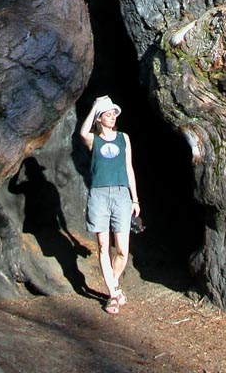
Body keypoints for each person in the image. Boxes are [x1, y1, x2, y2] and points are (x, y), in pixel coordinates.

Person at [80, 94, 140, 314]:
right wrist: (95, 107)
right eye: (108, 114)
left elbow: (129, 168)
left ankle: (113, 285)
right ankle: (113, 295)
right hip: (99, 195)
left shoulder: (123, 138)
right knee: (104, 247)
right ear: (99, 118)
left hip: (121, 194)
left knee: (122, 250)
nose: (113, 117)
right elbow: (82, 133)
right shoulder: (93, 140)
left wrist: (135, 198)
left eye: (114, 113)